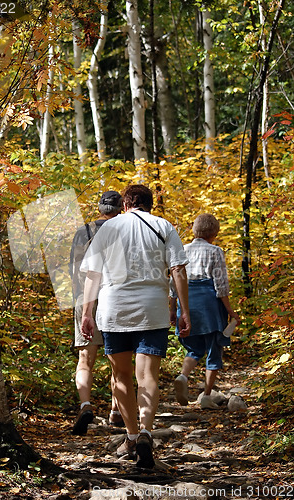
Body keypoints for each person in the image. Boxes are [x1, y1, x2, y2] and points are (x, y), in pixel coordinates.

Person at [80, 185, 191, 468]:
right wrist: (183, 310)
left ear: (125, 204)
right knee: (147, 375)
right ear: (150, 205)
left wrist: (87, 313)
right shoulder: (163, 226)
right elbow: (177, 269)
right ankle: (145, 431)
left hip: (114, 308)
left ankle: (130, 434)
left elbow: (93, 273)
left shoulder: (108, 228)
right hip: (152, 309)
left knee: (121, 375)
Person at [172, 213, 241, 410]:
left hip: (186, 302)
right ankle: (207, 396)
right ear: (214, 233)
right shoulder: (215, 251)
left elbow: (173, 284)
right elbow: (221, 285)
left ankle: (183, 376)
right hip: (209, 302)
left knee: (193, 348)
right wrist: (230, 310)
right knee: (213, 348)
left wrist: (172, 309)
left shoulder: (182, 250)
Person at [70, 191, 124, 435]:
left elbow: (75, 269)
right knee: (118, 359)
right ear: (121, 208)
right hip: (116, 297)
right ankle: (115, 410)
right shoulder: (125, 229)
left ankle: (85, 405)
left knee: (85, 359)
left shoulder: (84, 231)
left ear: (99, 207)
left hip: (86, 298)